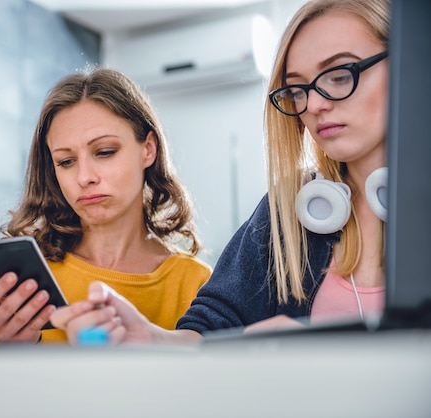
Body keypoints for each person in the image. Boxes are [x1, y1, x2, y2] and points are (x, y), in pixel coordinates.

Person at [51, 0, 390, 345]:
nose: (314, 104)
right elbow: (211, 328)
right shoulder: (286, 214)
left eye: (339, 75)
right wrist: (149, 337)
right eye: (298, 89)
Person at [0, 67, 212, 344]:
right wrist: (18, 348)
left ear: (148, 149)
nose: (84, 177)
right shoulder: (16, 276)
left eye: (105, 152)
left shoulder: (197, 283)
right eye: (66, 162)